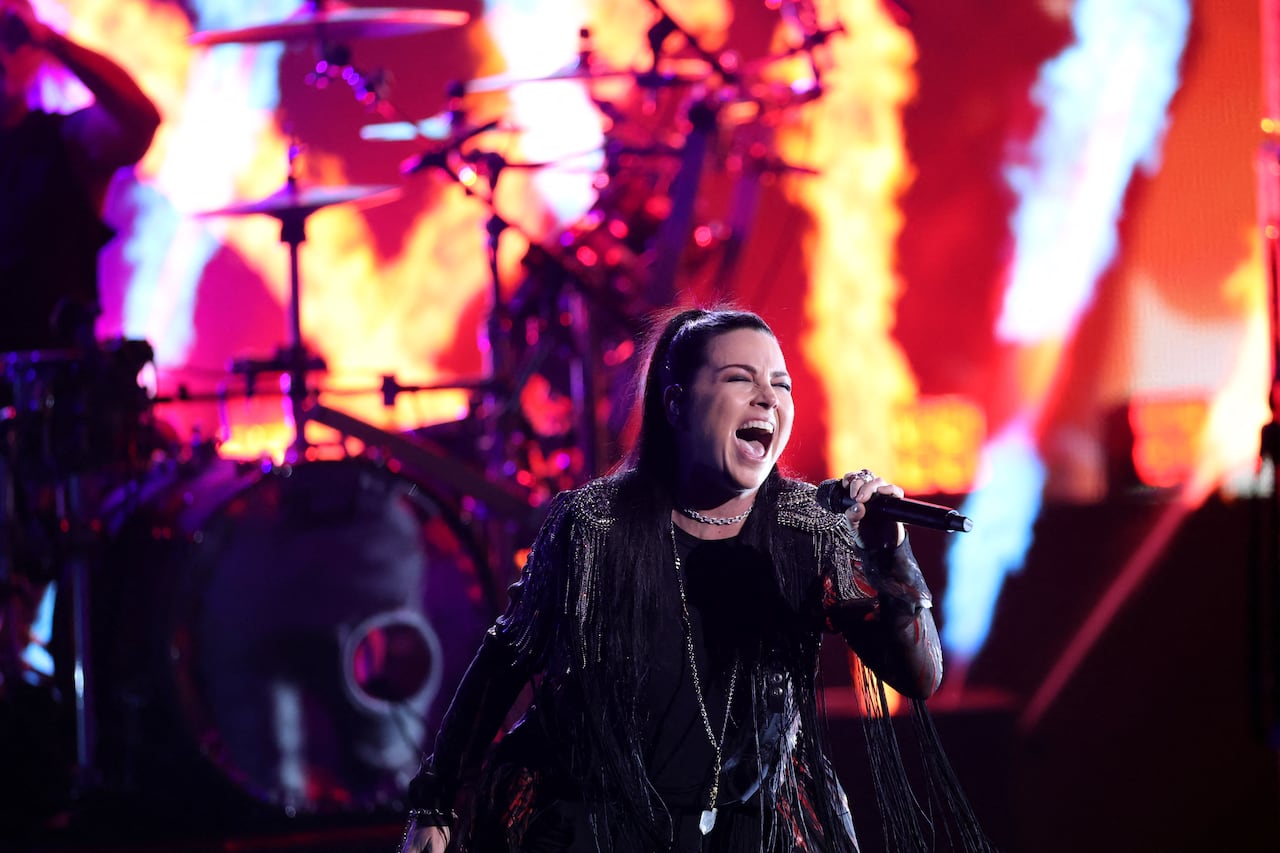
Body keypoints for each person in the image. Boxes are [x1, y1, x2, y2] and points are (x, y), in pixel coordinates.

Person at [400, 307, 992, 852]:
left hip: (748, 828)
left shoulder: (805, 530)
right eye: (740, 379)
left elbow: (918, 677)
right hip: (598, 824)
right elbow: (503, 661)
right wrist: (434, 806)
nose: (768, 398)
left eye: (781, 384)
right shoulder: (595, 525)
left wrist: (890, 551)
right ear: (676, 403)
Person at [0, 0, 160, 352]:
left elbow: (138, 121)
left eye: (10, 37)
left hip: (54, 386)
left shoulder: (64, 141)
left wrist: (51, 40)